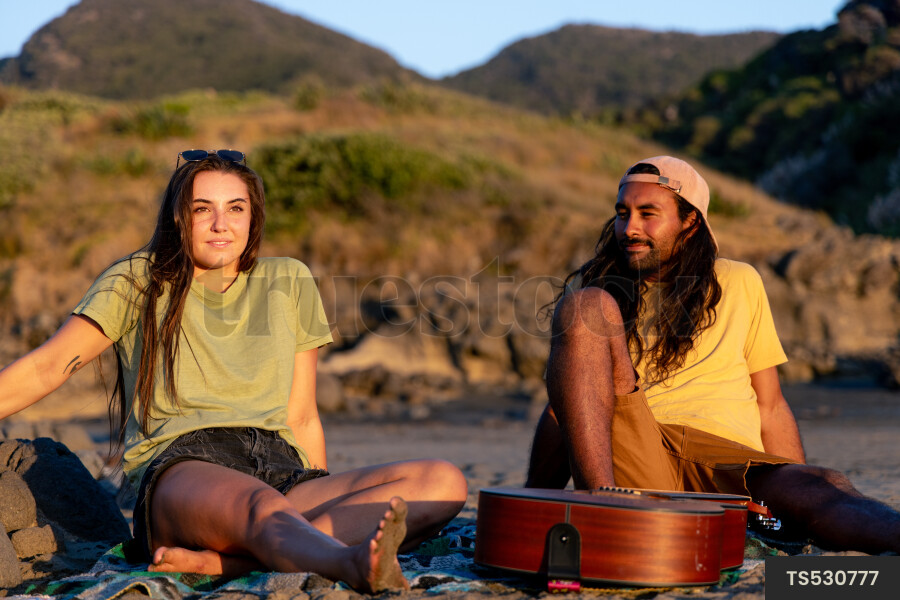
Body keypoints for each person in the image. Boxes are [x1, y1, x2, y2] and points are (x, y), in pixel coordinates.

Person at [0, 149, 468, 593]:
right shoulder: (138, 280)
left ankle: (234, 563)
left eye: (236, 208)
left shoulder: (289, 279)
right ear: (180, 218)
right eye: (203, 209)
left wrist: (321, 484)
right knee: (263, 508)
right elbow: (47, 366)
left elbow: (302, 415)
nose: (221, 224)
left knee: (443, 483)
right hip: (183, 468)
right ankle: (347, 563)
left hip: (278, 463)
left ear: (253, 216)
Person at [525, 155, 900, 554]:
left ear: (690, 222)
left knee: (822, 487)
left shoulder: (740, 281)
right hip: (638, 457)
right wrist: (530, 504)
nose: (628, 228)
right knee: (586, 304)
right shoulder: (600, 295)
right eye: (622, 213)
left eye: (647, 213)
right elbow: (564, 411)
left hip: (729, 464)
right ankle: (603, 513)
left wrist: (792, 476)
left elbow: (770, 406)